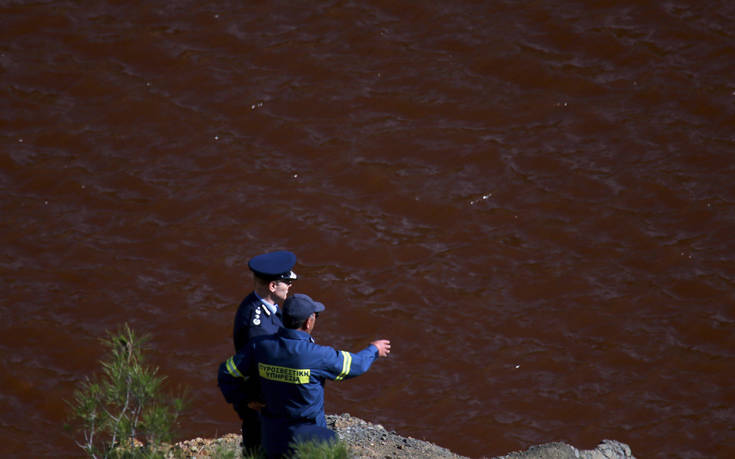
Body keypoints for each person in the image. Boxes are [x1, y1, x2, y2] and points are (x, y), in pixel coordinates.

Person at [218, 293, 391, 458]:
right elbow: (356, 365)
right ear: (308, 322)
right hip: (308, 441)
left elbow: (226, 373)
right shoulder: (318, 355)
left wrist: (245, 399)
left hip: (271, 437)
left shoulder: (260, 347)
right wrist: (374, 350)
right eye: (315, 315)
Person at [231, 250, 298, 453]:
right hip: (261, 402)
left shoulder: (264, 305)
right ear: (272, 286)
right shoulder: (257, 326)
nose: (290, 286)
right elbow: (259, 367)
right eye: (287, 282)